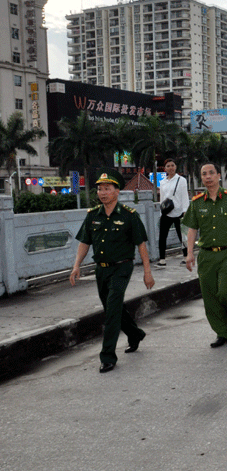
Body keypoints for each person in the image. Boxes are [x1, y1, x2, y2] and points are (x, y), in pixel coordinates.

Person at [70, 169, 154, 373]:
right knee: (112, 309)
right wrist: (76, 265)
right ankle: (134, 334)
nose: (102, 192)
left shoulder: (129, 215)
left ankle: (107, 356)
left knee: (112, 309)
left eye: (107, 188)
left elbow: (141, 245)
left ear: (117, 191)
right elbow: (84, 242)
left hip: (122, 267)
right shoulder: (93, 216)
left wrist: (147, 272)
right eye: (100, 189)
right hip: (102, 270)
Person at [183, 163, 227, 348]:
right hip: (206, 256)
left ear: (219, 176)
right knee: (210, 297)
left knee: (226, 292)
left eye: (211, 173)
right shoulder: (197, 202)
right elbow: (192, 229)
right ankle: (222, 332)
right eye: (204, 174)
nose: (208, 177)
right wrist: (189, 253)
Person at [157, 158, 190, 266]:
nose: (170, 168)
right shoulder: (162, 182)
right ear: (165, 168)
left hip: (179, 212)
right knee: (162, 236)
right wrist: (161, 212)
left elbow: (185, 196)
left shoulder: (181, 180)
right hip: (166, 213)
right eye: (168, 166)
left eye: (172, 165)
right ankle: (162, 259)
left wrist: (185, 211)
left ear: (175, 167)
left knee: (182, 236)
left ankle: (186, 257)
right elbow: (162, 198)